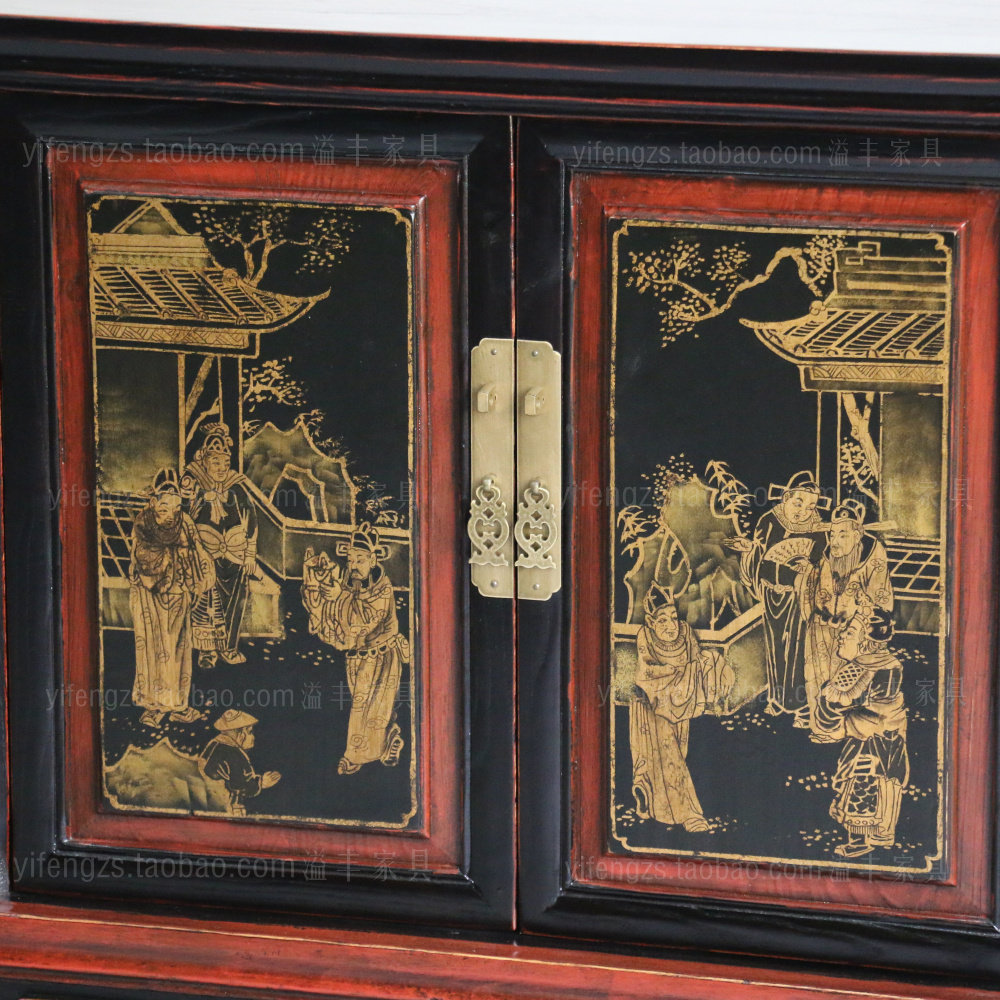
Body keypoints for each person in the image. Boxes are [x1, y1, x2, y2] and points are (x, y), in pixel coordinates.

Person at [301, 523, 408, 775]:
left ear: (373, 560)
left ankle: (354, 756)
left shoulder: (383, 588)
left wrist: (340, 596)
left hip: (382, 656)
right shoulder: (350, 585)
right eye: (351, 560)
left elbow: (366, 619)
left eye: (360, 560)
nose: (354, 565)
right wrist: (318, 586)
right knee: (372, 710)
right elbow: (335, 620)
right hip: (357, 659)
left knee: (369, 712)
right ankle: (390, 739)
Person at [629, 583, 734, 833]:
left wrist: (707, 663)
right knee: (670, 759)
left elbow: (696, 661)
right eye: (662, 620)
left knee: (677, 755)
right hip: (651, 705)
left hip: (681, 702)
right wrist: (676, 672)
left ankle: (653, 802)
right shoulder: (645, 636)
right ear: (651, 622)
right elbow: (647, 672)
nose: (671, 625)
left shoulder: (686, 632)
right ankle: (690, 814)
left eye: (673, 617)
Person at [730, 470, 828, 726]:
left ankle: (801, 705)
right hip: (772, 593)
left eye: (810, 507)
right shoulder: (769, 520)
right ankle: (777, 698)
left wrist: (809, 567)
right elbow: (761, 556)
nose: (803, 512)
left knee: (798, 648)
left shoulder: (818, 527)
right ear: (786, 497)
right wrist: (749, 550)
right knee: (776, 647)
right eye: (798, 503)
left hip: (800, 597)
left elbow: (821, 562)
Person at [813, 604, 908, 858]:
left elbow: (835, 701)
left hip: (870, 737)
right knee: (880, 783)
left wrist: (830, 719)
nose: (842, 635)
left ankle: (859, 841)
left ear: (865, 642)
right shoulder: (888, 663)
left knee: (862, 785)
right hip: (886, 733)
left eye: (849, 632)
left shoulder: (865, 667)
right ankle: (877, 835)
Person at [129, 467, 215, 728]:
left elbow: (199, 551)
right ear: (153, 502)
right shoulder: (143, 523)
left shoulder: (185, 522)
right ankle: (152, 707)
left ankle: (178, 704)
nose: (171, 514)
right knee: (153, 650)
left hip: (179, 594)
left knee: (178, 650)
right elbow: (142, 557)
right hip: (149, 595)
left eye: (176, 507)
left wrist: (201, 576)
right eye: (165, 507)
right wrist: (170, 557)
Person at [805, 499, 894, 732]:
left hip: (854, 632)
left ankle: (846, 726)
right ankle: (819, 720)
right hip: (822, 627)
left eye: (842, 535)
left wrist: (857, 624)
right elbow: (815, 589)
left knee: (848, 684)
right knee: (818, 676)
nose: (834, 541)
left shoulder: (874, 555)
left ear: (857, 535)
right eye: (832, 534)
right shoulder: (826, 555)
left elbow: (880, 601)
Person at [182, 423, 260, 669]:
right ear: (204, 460)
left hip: (235, 555)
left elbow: (251, 519)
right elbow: (183, 517)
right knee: (204, 604)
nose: (221, 468)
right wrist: (195, 498)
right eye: (215, 462)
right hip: (205, 556)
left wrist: (250, 554)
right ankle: (206, 651)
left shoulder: (236, 487)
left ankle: (228, 648)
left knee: (235, 603)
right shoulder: (192, 483)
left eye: (225, 463)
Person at [199, 709, 281, 817]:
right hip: (227, 807)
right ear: (241, 734)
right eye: (250, 732)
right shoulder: (234, 754)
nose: (253, 737)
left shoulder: (214, 744)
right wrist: (262, 782)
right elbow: (240, 787)